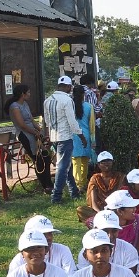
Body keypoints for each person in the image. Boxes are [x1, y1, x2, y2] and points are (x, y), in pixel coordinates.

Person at [43, 75, 85, 204]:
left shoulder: (48, 100)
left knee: (67, 166)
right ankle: (56, 197)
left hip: (54, 137)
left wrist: (48, 137)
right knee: (62, 167)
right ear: (68, 87)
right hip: (65, 137)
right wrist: (81, 136)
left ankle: (74, 192)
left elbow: (47, 122)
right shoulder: (67, 100)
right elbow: (72, 122)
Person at [5, 84, 53, 193]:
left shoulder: (25, 104)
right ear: (23, 94)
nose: (30, 94)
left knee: (45, 156)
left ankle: (49, 183)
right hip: (25, 134)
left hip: (33, 133)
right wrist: (34, 132)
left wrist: (39, 130)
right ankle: (46, 186)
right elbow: (21, 124)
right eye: (28, 92)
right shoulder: (14, 106)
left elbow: (31, 119)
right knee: (38, 159)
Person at [71, 84, 94, 192]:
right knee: (85, 161)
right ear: (84, 94)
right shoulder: (89, 107)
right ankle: (83, 183)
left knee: (76, 161)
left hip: (73, 136)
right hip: (86, 135)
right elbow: (92, 125)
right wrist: (93, 140)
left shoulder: (70, 106)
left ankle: (78, 184)